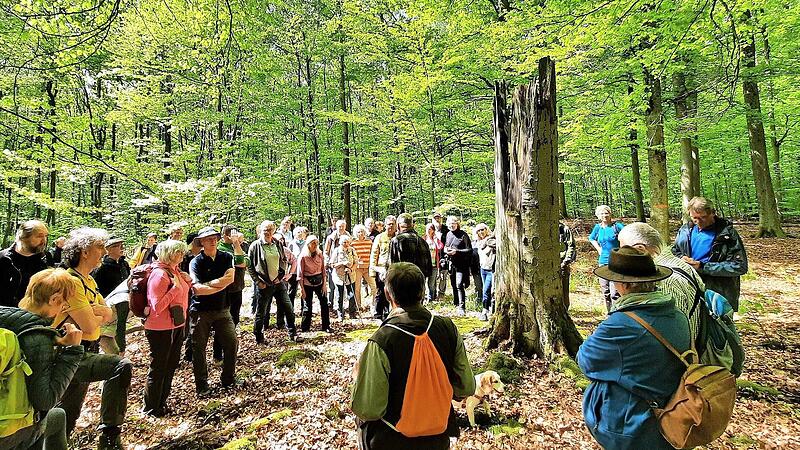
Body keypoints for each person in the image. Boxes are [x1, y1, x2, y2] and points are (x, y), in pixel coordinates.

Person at [351, 262, 476, 449]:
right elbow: (466, 387)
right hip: (437, 439)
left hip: (390, 439)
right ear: (423, 291)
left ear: (387, 294)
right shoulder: (448, 328)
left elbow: (368, 409)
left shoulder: (382, 339)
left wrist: (357, 378)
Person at [578, 246, 689, 450]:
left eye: (615, 279)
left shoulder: (622, 324)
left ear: (625, 284)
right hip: (674, 414)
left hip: (632, 425)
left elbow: (585, 360)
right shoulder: (677, 314)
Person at [52, 228, 132, 450]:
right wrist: (95, 313)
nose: (103, 252)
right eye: (99, 247)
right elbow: (89, 324)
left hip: (88, 348)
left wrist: (93, 312)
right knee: (119, 366)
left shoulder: (89, 280)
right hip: (66, 352)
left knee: (69, 412)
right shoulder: (70, 281)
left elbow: (108, 314)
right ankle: (109, 437)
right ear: (84, 251)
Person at [0, 269, 84, 450]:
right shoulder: (37, 336)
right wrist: (72, 351)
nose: (64, 309)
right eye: (64, 304)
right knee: (51, 417)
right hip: (9, 431)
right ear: (54, 300)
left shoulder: (6, 317)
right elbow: (45, 400)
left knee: (58, 416)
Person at [620, 222, 705, 340]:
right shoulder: (682, 265)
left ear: (640, 249)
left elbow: (672, 336)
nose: (622, 256)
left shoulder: (664, 280)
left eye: (624, 251)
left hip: (680, 356)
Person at [142, 240, 192, 417]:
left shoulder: (175, 271)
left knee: (170, 366)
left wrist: (187, 282)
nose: (181, 255)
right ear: (169, 254)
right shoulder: (160, 275)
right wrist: (174, 289)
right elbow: (156, 307)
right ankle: (151, 407)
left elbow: (183, 294)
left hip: (176, 325)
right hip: (160, 329)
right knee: (159, 367)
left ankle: (162, 403)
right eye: (178, 253)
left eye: (181, 252)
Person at [671, 197, 748, 312]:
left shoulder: (727, 234)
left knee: (719, 328)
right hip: (689, 288)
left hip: (718, 292)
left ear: (713, 213)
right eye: (694, 218)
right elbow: (675, 251)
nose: (698, 221)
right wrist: (681, 258)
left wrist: (702, 267)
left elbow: (739, 266)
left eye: (703, 217)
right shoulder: (686, 230)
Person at [188, 227, 237, 395]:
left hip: (223, 309)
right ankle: (202, 386)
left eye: (215, 237)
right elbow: (197, 289)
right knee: (199, 349)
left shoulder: (226, 257)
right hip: (200, 311)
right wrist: (220, 283)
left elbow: (231, 279)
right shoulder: (196, 262)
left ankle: (228, 379)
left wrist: (210, 284)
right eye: (208, 238)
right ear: (201, 242)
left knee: (231, 343)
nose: (213, 240)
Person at [247, 220, 297, 343]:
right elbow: (250, 266)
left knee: (288, 308)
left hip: (278, 283)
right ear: (261, 230)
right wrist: (258, 282)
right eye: (265, 229)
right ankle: (259, 337)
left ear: (274, 230)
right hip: (264, 284)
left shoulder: (277, 243)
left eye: (270, 230)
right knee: (261, 312)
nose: (267, 232)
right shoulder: (255, 246)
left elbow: (283, 259)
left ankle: (293, 333)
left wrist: (283, 274)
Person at [91, 237, 131, 355]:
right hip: (107, 306)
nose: (122, 248)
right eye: (118, 246)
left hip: (122, 303)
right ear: (109, 249)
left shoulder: (124, 264)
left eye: (122, 245)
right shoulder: (101, 268)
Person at [0, 220, 51, 307]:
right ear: (23, 237)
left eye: (45, 236)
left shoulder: (45, 259)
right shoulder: (3, 259)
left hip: (36, 314)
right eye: (39, 236)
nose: (44, 241)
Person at [588, 205, 625, 312]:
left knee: (615, 292)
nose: (604, 216)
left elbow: (628, 234)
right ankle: (609, 313)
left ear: (610, 214)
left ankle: (616, 313)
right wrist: (598, 249)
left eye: (606, 213)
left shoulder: (617, 226)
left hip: (616, 262)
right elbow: (591, 238)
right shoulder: (598, 228)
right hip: (603, 262)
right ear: (598, 216)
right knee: (606, 291)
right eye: (602, 213)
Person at [297, 235, 330, 332]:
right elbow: (300, 275)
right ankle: (305, 328)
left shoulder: (320, 254)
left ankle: (326, 326)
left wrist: (324, 285)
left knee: (324, 304)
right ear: (308, 244)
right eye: (313, 243)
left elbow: (323, 271)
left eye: (316, 243)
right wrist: (302, 289)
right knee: (308, 306)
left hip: (319, 282)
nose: (315, 245)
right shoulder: (302, 257)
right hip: (307, 283)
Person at [389, 213, 433, 280]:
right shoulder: (423, 241)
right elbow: (428, 269)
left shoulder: (396, 241)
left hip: (401, 282)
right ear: (412, 225)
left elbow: (392, 266)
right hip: (419, 282)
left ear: (398, 225)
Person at [369, 215, 396, 320]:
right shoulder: (379, 237)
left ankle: (389, 313)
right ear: (385, 225)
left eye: (393, 224)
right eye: (389, 224)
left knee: (392, 291)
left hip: (394, 268)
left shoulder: (397, 237)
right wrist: (373, 271)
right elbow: (374, 254)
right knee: (381, 291)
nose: (391, 226)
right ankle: (378, 313)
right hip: (381, 269)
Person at [444, 216, 472, 316]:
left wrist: (457, 252)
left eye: (454, 223)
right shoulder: (448, 234)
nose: (452, 225)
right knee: (453, 284)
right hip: (452, 264)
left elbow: (469, 250)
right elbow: (447, 246)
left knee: (459, 284)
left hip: (461, 264)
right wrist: (446, 250)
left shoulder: (463, 235)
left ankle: (462, 307)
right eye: (450, 223)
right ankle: (456, 303)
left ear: (457, 224)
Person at [324, 219, 351, 311]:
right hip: (334, 264)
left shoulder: (348, 237)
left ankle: (343, 306)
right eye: (340, 226)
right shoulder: (331, 237)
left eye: (343, 226)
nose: (341, 228)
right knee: (332, 286)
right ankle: (330, 304)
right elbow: (326, 251)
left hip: (346, 265)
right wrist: (327, 262)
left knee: (345, 286)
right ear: (336, 226)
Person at [330, 235, 358, 320]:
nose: (346, 244)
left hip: (351, 276)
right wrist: (343, 263)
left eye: (348, 242)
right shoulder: (337, 251)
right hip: (339, 277)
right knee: (339, 295)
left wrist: (352, 269)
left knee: (351, 295)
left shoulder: (352, 250)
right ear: (340, 243)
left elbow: (356, 262)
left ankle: (352, 313)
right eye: (344, 242)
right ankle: (340, 314)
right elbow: (332, 264)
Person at [351, 224, 377, 310]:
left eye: (362, 231)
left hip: (368, 268)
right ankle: (358, 306)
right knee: (357, 288)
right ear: (356, 233)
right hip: (357, 268)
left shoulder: (369, 242)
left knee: (374, 287)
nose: (360, 233)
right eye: (358, 232)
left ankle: (373, 305)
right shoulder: (353, 243)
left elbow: (374, 253)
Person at [475, 224, 496, 321]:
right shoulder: (478, 242)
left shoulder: (491, 240)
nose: (480, 232)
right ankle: (486, 310)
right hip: (482, 268)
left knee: (488, 290)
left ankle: (487, 310)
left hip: (491, 269)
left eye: (482, 230)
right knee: (485, 290)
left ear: (486, 229)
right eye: (478, 231)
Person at [558, 220, 577, 308]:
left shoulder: (563, 229)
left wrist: (566, 261)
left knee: (564, 290)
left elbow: (571, 246)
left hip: (562, 264)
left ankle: (565, 309)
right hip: (547, 265)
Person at [423, 223, 443, 303]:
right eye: (427, 229)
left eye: (430, 229)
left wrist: (435, 240)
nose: (428, 230)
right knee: (423, 282)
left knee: (431, 283)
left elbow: (440, 247)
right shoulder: (423, 239)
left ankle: (431, 299)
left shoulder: (436, 240)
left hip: (434, 265)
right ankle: (422, 298)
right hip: (424, 265)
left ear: (433, 230)